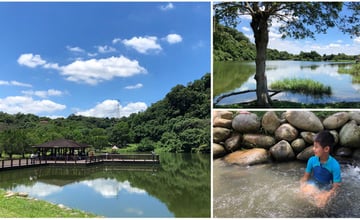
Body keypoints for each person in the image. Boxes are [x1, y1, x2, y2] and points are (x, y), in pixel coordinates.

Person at [300, 130, 341, 208]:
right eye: (313, 146)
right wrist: (302, 185)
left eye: (316, 147)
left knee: (320, 205)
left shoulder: (335, 166)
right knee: (301, 194)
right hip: (314, 183)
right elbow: (305, 177)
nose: (313, 149)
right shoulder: (312, 160)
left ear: (326, 149)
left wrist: (327, 195)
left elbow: (336, 187)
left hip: (326, 187)